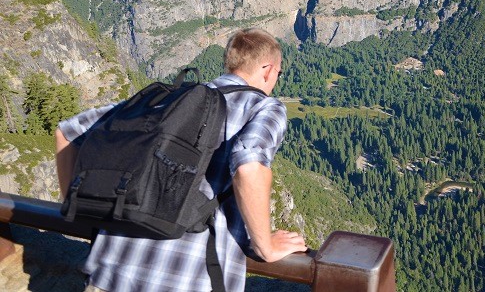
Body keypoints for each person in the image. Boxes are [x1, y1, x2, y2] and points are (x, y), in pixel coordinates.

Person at [55, 27, 307, 292]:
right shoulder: (264, 107)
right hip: (185, 280)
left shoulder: (168, 98)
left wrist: (75, 206)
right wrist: (264, 246)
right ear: (268, 69)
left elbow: (68, 132)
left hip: (108, 272)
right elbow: (248, 168)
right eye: (278, 73)